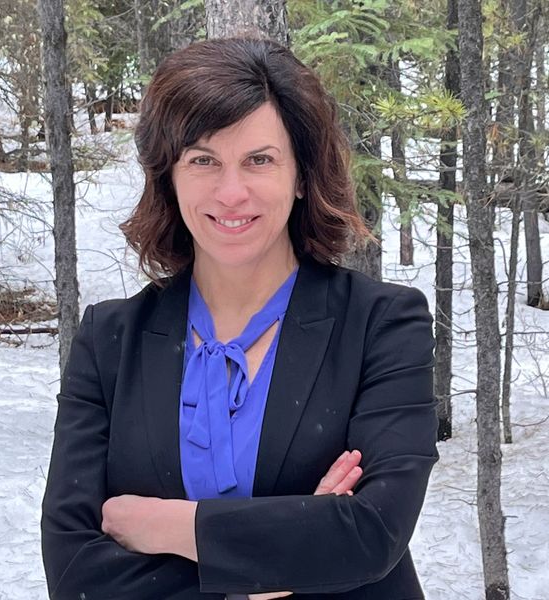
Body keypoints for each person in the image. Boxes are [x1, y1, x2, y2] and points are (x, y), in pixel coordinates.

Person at [41, 37, 438, 600]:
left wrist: (171, 529)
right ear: (169, 177)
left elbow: (370, 534)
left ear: (301, 176)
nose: (231, 192)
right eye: (203, 160)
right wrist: (281, 557)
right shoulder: (110, 340)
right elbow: (76, 572)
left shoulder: (381, 325)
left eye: (259, 160)